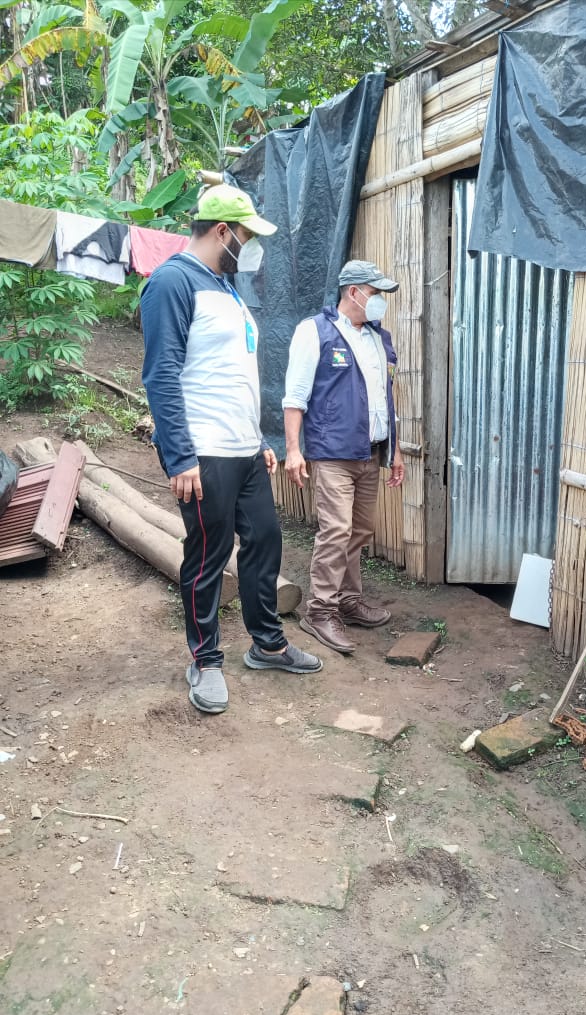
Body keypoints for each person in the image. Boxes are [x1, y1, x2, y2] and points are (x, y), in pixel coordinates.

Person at [141, 183, 322, 715]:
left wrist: (259, 440)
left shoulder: (226, 287)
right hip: (203, 451)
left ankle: (268, 645)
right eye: (248, 236)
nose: (252, 247)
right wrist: (180, 456)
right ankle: (205, 659)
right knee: (208, 556)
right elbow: (161, 375)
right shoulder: (172, 282)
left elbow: (233, 374)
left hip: (242, 449)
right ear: (223, 231)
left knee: (264, 540)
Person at [282, 259, 405, 654]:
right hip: (333, 452)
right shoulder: (316, 331)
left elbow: (386, 399)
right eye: (375, 293)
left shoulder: (378, 337)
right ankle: (320, 611)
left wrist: (395, 450)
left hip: (371, 452)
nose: (380, 300)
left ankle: (348, 601)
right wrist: (293, 450)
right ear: (354, 292)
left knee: (360, 530)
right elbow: (295, 396)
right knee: (335, 530)